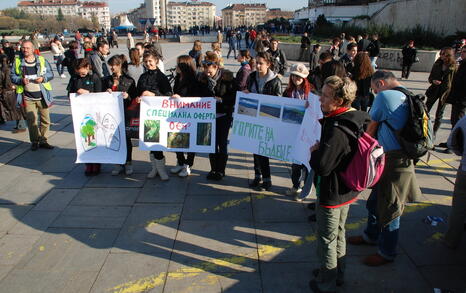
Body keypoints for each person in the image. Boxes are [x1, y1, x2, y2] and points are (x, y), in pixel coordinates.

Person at [348, 70, 422, 266]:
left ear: (380, 83)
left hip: (392, 160)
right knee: (374, 203)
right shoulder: (406, 93)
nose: (373, 93)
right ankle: (371, 235)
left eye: (373, 89)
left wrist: (359, 150)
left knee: (390, 208)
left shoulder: (385, 96)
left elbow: (371, 127)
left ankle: (387, 252)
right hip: (399, 157)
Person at [309, 75, 370, 293]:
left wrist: (315, 153)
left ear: (340, 101)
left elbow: (323, 166)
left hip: (332, 192)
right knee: (339, 232)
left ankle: (327, 280)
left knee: (326, 238)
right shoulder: (354, 117)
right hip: (347, 190)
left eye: (325, 96)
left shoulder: (336, 128)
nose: (320, 100)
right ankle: (338, 273)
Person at [246, 52, 282, 191]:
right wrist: (247, 93)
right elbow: (248, 90)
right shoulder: (252, 77)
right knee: (255, 149)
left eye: (261, 63)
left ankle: (267, 179)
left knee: (264, 150)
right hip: (254, 118)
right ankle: (257, 176)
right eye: (256, 62)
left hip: (267, 119)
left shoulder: (275, 81)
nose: (258, 65)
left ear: (268, 64)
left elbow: (278, 102)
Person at [197, 51, 236, 181]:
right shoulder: (202, 79)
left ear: (216, 67)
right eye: (205, 69)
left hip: (224, 116)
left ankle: (221, 170)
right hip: (209, 117)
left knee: (222, 143)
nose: (207, 72)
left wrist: (222, 100)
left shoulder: (227, 79)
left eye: (209, 70)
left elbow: (234, 96)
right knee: (211, 144)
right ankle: (213, 169)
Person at [10, 40, 54, 151]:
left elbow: (50, 74)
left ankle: (43, 140)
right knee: (31, 121)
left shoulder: (42, 60)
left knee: (45, 120)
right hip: (27, 96)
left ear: (33, 49)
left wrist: (43, 78)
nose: (25, 50)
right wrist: (21, 80)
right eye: (23, 48)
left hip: (42, 95)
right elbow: (12, 76)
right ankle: (35, 141)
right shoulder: (18, 62)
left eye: (27, 48)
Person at [283, 63, 318, 201]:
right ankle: (295, 185)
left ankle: (305, 189)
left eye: (299, 76)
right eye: (294, 76)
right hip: (294, 131)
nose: (296, 78)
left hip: (308, 133)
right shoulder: (288, 92)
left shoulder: (312, 93)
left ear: (304, 78)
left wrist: (311, 106)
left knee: (306, 163)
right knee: (295, 162)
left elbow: (318, 110)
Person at [137, 50, 173, 181]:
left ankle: (161, 169)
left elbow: (168, 95)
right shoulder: (142, 77)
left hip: (159, 114)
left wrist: (154, 95)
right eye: (146, 61)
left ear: (156, 61)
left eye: (150, 61)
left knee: (157, 142)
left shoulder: (161, 77)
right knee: (149, 140)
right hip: (147, 114)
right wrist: (139, 98)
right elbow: (138, 92)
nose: (148, 64)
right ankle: (154, 168)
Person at [101, 55, 138, 176]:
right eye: (110, 65)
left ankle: (128, 162)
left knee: (126, 139)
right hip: (110, 113)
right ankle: (117, 163)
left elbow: (135, 98)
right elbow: (99, 95)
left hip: (124, 113)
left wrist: (128, 97)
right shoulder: (106, 80)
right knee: (113, 139)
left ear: (120, 65)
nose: (111, 67)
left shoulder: (129, 80)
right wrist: (106, 92)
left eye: (114, 65)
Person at [67, 58, 103, 176]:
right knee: (84, 138)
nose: (80, 73)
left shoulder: (94, 78)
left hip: (93, 112)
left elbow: (100, 96)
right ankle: (88, 163)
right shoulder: (74, 78)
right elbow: (69, 93)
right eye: (78, 71)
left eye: (82, 71)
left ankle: (96, 163)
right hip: (81, 113)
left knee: (94, 138)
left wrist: (87, 93)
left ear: (87, 67)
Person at [169, 55, 202, 177]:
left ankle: (188, 164)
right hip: (178, 113)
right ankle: (180, 161)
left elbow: (195, 97)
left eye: (178, 64)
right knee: (176, 138)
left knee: (189, 140)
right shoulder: (178, 77)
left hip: (189, 114)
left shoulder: (193, 80)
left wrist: (181, 98)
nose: (176, 66)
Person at [444, 115, 466, 249]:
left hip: (464, 169)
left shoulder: (464, 120)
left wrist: (461, 154)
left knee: (459, 207)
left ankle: (451, 240)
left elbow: (452, 143)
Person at [425, 47, 457, 136]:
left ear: (448, 55)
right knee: (426, 109)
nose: (441, 56)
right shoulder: (437, 64)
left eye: (443, 54)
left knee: (439, 114)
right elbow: (430, 77)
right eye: (441, 54)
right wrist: (433, 81)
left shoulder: (453, 66)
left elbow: (455, 80)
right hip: (434, 89)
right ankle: (423, 128)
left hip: (445, 92)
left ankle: (434, 133)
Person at [0, 55, 26, 127]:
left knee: (16, 108)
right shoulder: (11, 69)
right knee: (18, 108)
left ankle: (21, 126)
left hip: (8, 91)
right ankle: (20, 125)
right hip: (13, 91)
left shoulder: (3, 70)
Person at [447, 46, 466, 128]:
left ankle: (457, 140)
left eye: (464, 51)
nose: (462, 53)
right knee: (454, 120)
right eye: (462, 51)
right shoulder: (462, 63)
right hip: (457, 97)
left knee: (458, 121)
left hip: (462, 98)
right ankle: (453, 139)